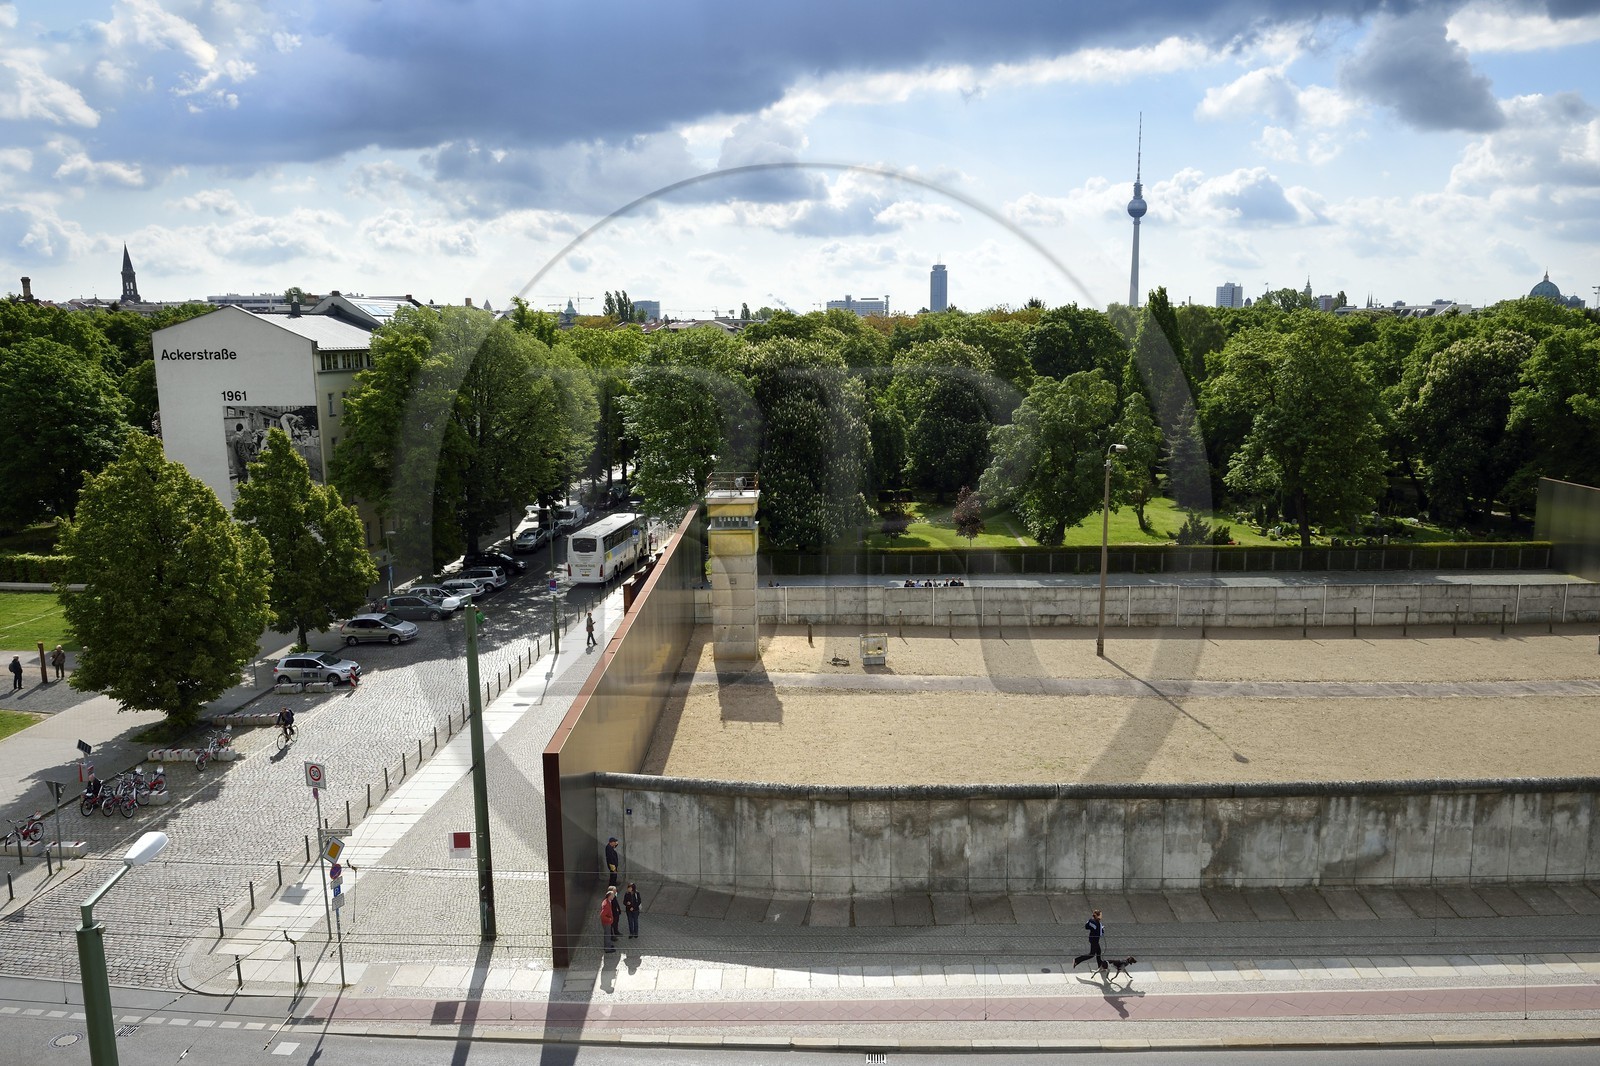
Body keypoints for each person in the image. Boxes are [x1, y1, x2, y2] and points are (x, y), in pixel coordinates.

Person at [600, 886, 620, 953]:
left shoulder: (608, 901)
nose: (614, 896)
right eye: (613, 895)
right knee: (607, 935)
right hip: (606, 922)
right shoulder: (606, 904)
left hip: (607, 922)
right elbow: (602, 915)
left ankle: (608, 945)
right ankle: (607, 949)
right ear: (609, 896)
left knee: (608, 934)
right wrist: (609, 919)